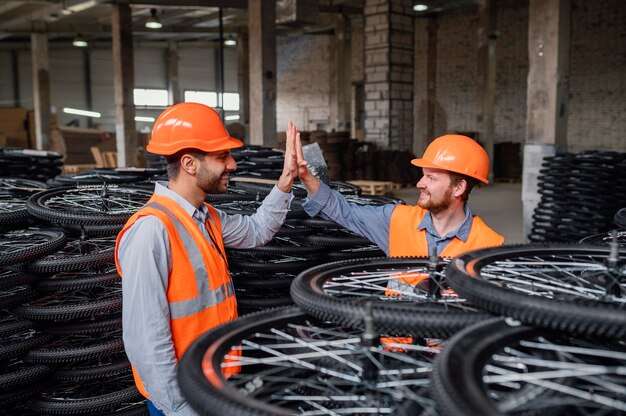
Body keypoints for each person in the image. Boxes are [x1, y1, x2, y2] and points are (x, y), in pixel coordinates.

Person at [115, 102, 299, 415]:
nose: (232, 165)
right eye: (221, 156)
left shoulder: (206, 216)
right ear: (189, 163)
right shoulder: (152, 230)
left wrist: (286, 180)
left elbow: (256, 230)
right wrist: (180, 405)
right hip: (184, 399)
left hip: (213, 382)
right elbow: (145, 338)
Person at [296, 133, 505, 259]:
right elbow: (343, 211)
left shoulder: (489, 246)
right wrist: (306, 177)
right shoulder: (396, 220)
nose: (419, 184)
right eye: (423, 175)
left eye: (431, 178)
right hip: (395, 334)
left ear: (459, 188)